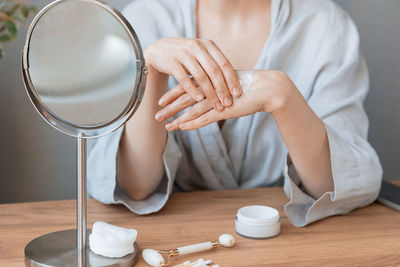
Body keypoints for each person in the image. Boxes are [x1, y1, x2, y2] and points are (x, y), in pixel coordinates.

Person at [88, 0, 382, 227]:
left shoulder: (326, 26)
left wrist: (284, 99)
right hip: (174, 233)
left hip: (291, 237)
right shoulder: (142, 20)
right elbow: (135, 187)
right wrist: (151, 73)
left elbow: (337, 187)